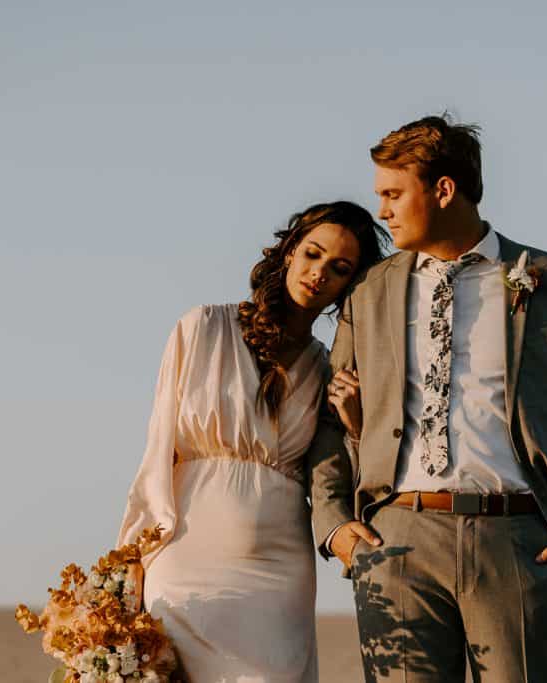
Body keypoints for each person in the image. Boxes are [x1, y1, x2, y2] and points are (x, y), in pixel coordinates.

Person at [307, 115, 547, 682]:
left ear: (444, 189)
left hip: (520, 541)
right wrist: (335, 527)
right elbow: (331, 420)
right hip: (396, 539)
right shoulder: (370, 290)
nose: (383, 211)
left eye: (393, 194)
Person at [118, 201, 388, 682]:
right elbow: (157, 456)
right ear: (289, 251)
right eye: (312, 253)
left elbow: (339, 478)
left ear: (350, 286)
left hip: (279, 576)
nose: (318, 273)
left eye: (339, 268)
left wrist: (353, 423)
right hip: (185, 562)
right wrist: (129, 563)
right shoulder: (201, 329)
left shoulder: (330, 370)